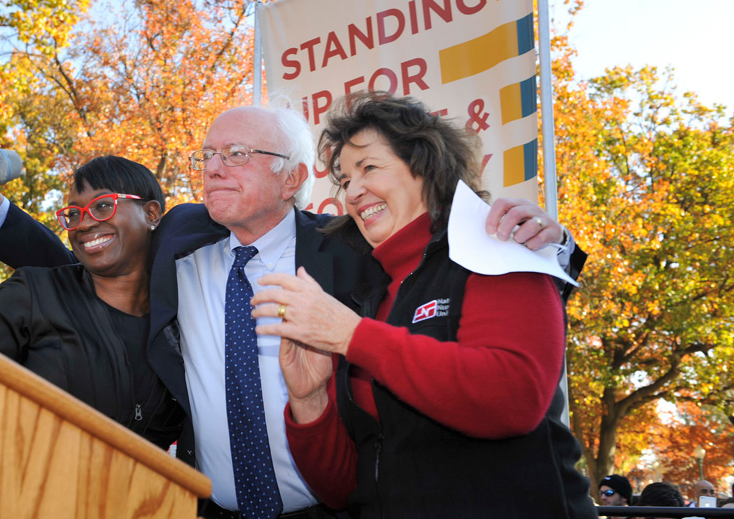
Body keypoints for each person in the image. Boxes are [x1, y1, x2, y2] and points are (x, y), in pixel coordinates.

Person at [0, 89, 582, 519]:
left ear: (293, 178)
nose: (214, 168)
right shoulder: (178, 245)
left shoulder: (355, 250)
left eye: (237, 155)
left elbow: (446, 250)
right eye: (209, 156)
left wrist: (553, 242)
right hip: (210, 508)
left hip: (334, 509)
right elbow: (87, 260)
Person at [249, 92, 595, 518]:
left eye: (368, 167)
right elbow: (346, 490)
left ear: (425, 167)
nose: (353, 191)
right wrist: (309, 400)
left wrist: (353, 337)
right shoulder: (369, 296)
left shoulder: (499, 247)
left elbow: (514, 400)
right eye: (343, 180)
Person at [0, 155, 183, 448]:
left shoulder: (184, 324)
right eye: (73, 213)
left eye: (103, 205)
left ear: (151, 214)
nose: (82, 224)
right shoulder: (34, 293)